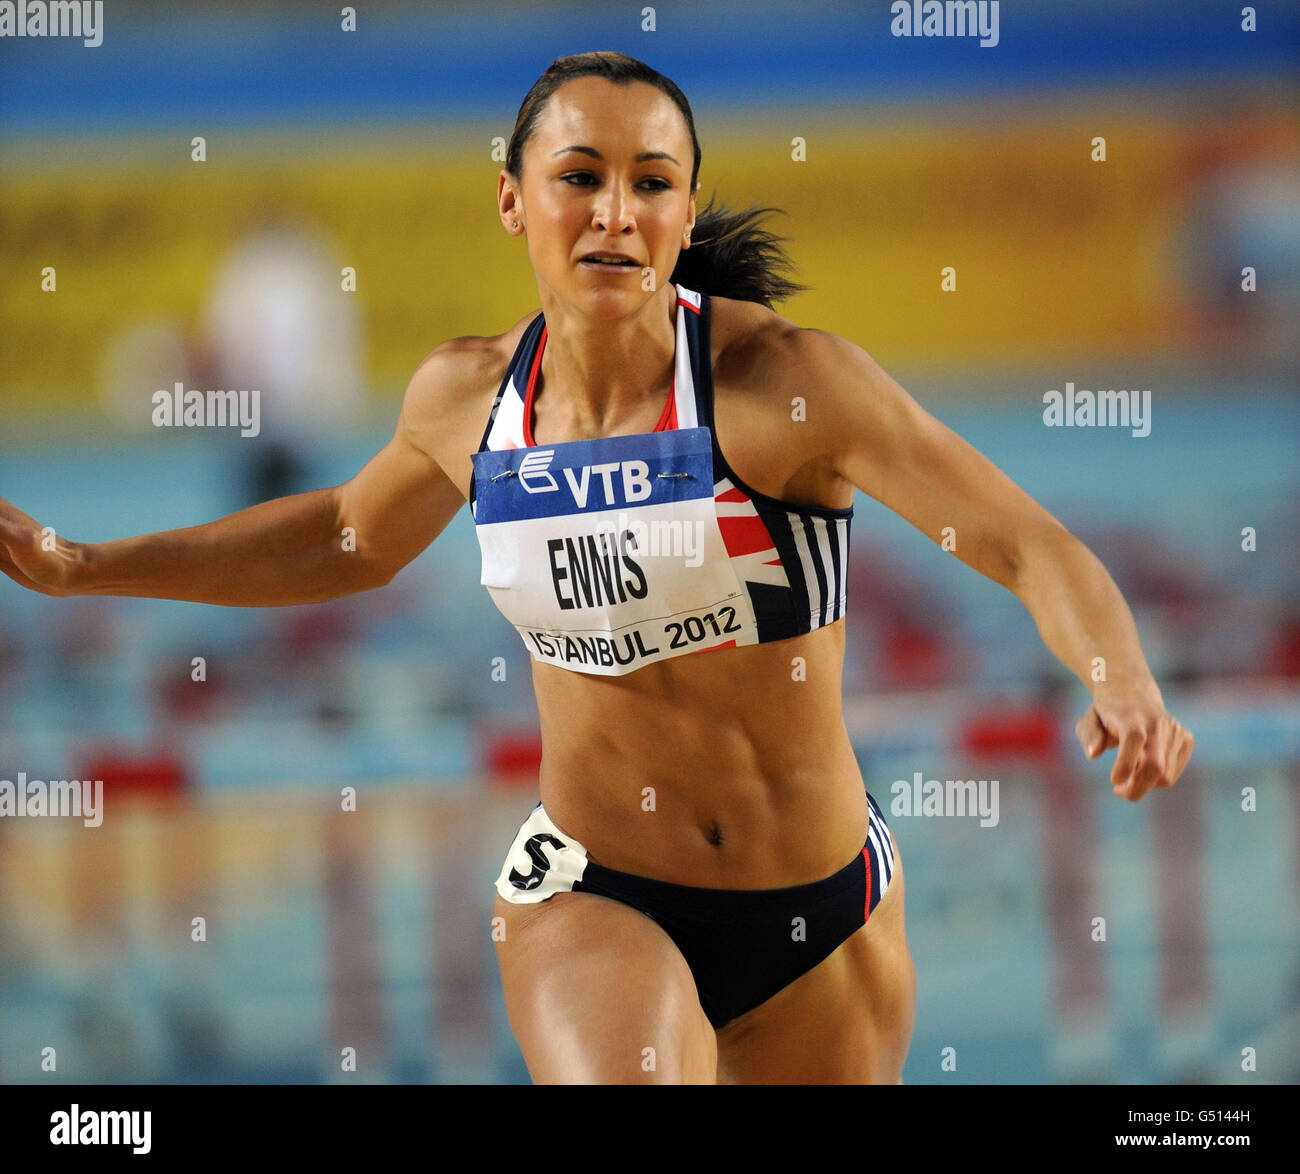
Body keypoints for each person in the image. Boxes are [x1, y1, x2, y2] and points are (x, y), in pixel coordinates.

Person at [0, 51, 1194, 1085]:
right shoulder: (465, 401)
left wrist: (1119, 676)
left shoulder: (786, 387)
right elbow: (345, 538)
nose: (614, 212)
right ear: (514, 201)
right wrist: (81, 564)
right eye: (580, 178)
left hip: (818, 905)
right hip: (593, 888)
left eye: (650, 183)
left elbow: (1025, 542)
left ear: (682, 214)